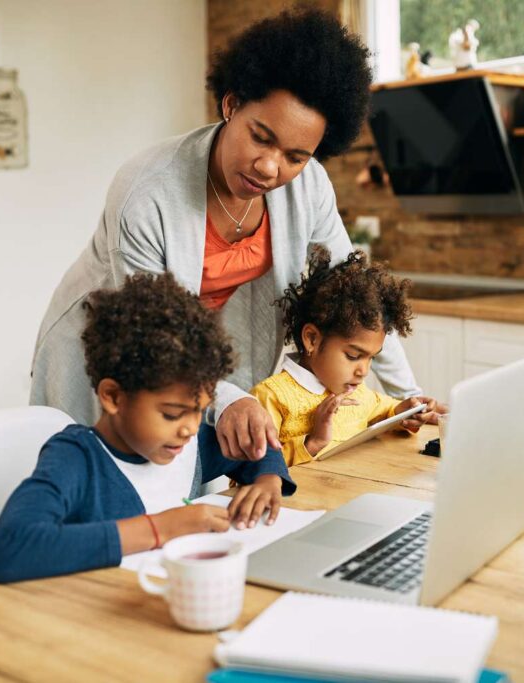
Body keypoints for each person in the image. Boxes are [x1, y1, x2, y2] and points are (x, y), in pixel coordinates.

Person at [30, 8, 429, 464]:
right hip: (113, 346)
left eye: (296, 156)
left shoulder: (309, 185)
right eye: (261, 137)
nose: (270, 167)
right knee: (100, 485)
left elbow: (365, 300)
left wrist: (410, 397)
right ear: (231, 104)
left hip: (196, 355)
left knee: (196, 485)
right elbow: (150, 329)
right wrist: (228, 398)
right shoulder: (147, 193)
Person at [0, 273, 295, 584]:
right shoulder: (77, 459)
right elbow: (10, 548)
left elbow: (255, 448)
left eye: (200, 410)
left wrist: (268, 482)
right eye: (173, 414)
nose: (191, 428)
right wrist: (159, 528)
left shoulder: (184, 444)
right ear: (114, 397)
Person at [251, 249, 441, 466]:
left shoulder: (357, 393)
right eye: (353, 356)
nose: (364, 371)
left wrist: (407, 411)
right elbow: (251, 472)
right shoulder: (270, 397)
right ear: (312, 339)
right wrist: (313, 442)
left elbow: (386, 410)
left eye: (371, 358)